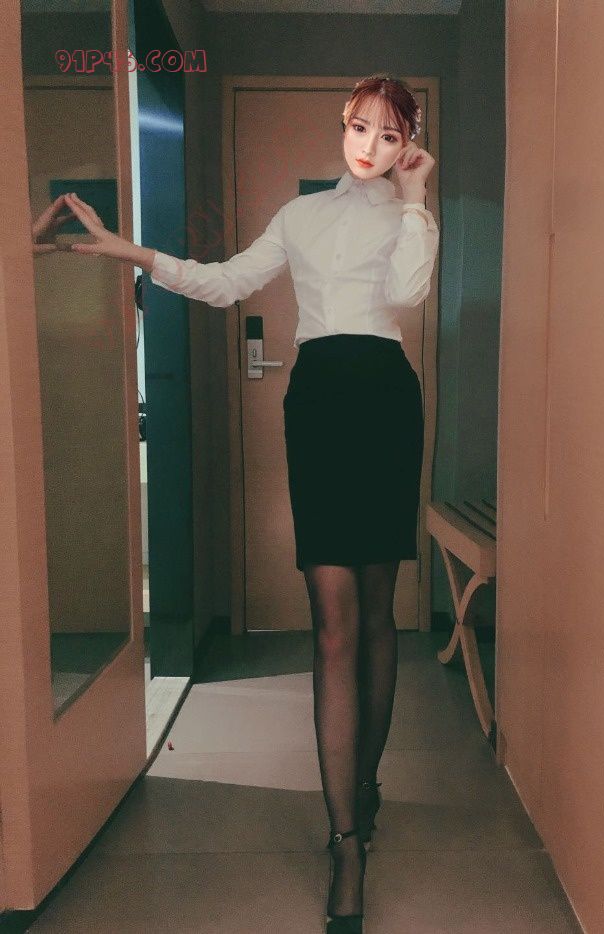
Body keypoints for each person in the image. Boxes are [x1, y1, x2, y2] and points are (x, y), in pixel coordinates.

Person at [63, 73, 439, 934]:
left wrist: (417, 201)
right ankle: (346, 841)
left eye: (390, 135)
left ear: (408, 144)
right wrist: (132, 253)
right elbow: (226, 281)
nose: (370, 146)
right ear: (342, 125)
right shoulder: (299, 216)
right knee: (334, 622)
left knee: (377, 615)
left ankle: (366, 788)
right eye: (360, 127)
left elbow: (408, 295)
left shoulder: (410, 218)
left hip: (386, 402)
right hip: (320, 406)